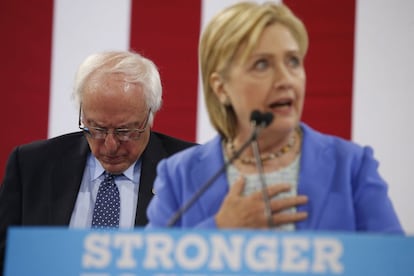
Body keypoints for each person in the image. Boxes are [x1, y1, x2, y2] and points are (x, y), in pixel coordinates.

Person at [147, 1, 403, 233]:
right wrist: (218, 230)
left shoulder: (352, 167)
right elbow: (148, 267)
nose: (285, 79)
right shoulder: (178, 175)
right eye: (262, 64)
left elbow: (393, 264)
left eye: (293, 61)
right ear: (221, 88)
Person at [0, 50, 196, 272]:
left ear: (149, 117)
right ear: (83, 115)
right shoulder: (31, 166)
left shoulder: (193, 172)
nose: (110, 145)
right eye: (97, 129)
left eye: (125, 131)